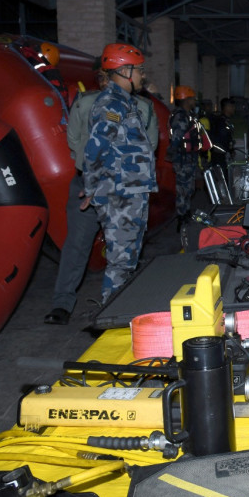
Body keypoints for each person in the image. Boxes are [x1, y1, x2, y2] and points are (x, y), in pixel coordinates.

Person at [44, 69, 158, 325]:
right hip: (95, 184)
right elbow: (74, 139)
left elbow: (148, 145)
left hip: (116, 186)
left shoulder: (139, 105)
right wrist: (99, 172)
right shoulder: (90, 103)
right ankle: (65, 303)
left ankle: (113, 305)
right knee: (81, 244)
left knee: (120, 248)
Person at [82, 43, 159, 305]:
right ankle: (112, 312)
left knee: (128, 259)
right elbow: (95, 149)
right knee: (121, 262)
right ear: (124, 71)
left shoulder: (125, 103)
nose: (142, 75)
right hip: (119, 193)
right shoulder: (112, 104)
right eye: (139, 70)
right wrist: (91, 187)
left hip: (130, 190)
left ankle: (123, 308)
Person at [167, 85, 206, 226]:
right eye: (192, 99)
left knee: (189, 188)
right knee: (183, 189)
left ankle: (186, 212)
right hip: (183, 159)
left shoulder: (188, 115)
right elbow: (176, 139)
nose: (194, 101)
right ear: (186, 99)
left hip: (189, 157)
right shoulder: (180, 117)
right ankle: (181, 216)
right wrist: (175, 156)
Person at [210, 96, 237, 168]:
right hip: (219, 155)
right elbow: (222, 139)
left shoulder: (226, 121)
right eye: (232, 106)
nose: (234, 108)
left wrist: (231, 150)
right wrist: (228, 150)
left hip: (223, 154)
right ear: (226, 107)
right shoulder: (221, 122)